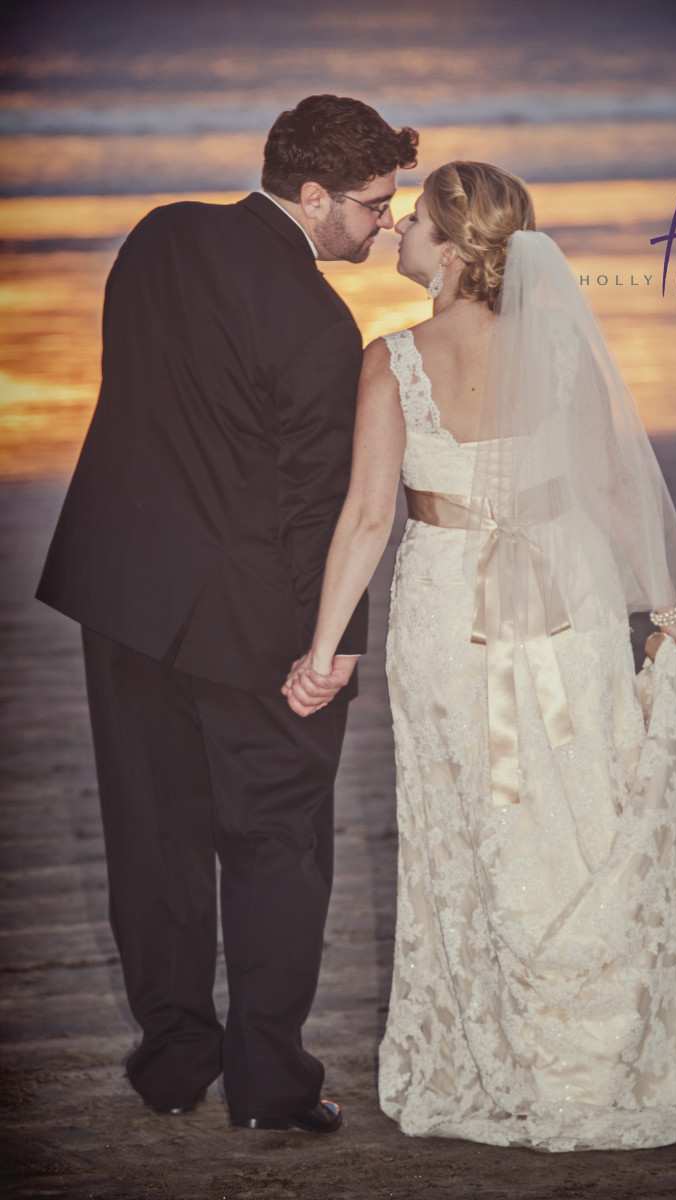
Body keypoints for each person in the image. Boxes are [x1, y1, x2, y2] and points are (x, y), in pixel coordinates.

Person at [283, 161, 676, 1150]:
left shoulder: (392, 359)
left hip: (449, 610)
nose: (397, 235)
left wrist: (321, 647)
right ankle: (606, 1048)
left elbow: (370, 516)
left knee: (471, 814)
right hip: (573, 594)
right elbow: (609, 488)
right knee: (585, 801)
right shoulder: (558, 346)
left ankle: (512, 1054)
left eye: (414, 223)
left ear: (448, 244)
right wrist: (668, 609)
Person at [36, 95, 418, 1132]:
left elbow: (143, 391)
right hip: (252, 623)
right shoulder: (317, 318)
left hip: (123, 594)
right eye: (373, 205)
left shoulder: (158, 235)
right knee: (277, 844)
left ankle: (172, 1058)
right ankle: (271, 1085)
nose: (385, 223)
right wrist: (325, 647)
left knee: (152, 835)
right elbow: (312, 506)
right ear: (311, 195)